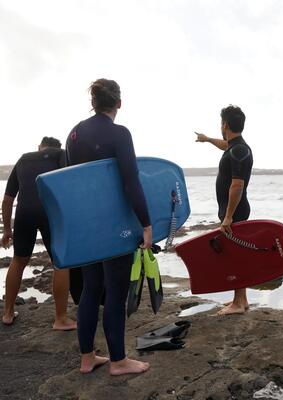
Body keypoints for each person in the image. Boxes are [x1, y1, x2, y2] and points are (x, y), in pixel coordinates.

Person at [66, 79, 152, 375]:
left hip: (86, 226)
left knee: (91, 287)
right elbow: (131, 181)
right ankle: (118, 361)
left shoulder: (74, 134)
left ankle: (87, 358)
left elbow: (71, 182)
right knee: (115, 291)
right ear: (119, 103)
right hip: (114, 226)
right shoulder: (119, 133)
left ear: (94, 101)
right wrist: (146, 224)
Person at [1, 137, 76, 330]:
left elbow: (8, 199)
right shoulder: (62, 155)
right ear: (57, 148)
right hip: (50, 212)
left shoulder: (24, 159)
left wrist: (7, 231)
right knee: (60, 262)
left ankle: (8, 313)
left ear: (39, 147)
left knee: (18, 260)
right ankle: (60, 319)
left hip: (24, 212)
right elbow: (71, 188)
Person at [196, 105, 253, 315]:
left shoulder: (238, 150)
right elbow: (225, 145)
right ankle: (242, 299)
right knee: (237, 253)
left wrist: (228, 216)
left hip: (235, 211)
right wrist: (207, 139)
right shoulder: (236, 147)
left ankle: (238, 303)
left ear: (225, 124)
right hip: (234, 210)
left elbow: (237, 185)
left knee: (235, 256)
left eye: (221, 123)